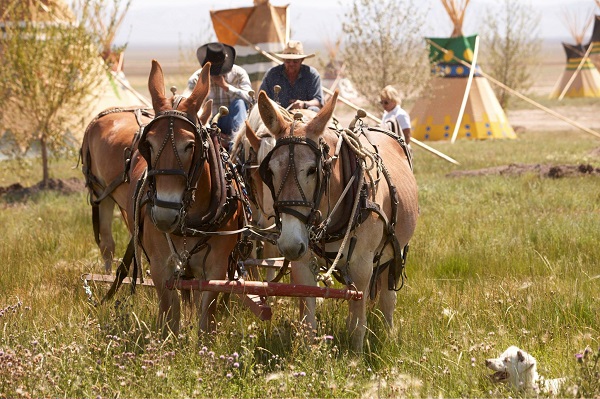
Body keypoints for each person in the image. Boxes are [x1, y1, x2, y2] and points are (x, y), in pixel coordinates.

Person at [183, 42, 253, 148]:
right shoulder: (197, 78)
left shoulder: (239, 74)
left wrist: (226, 87)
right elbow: (189, 106)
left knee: (239, 103)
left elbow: (251, 99)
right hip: (207, 124)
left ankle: (239, 145)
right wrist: (211, 131)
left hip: (232, 122)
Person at [259, 40, 323, 112]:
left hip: (304, 117)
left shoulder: (312, 75)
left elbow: (318, 101)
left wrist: (304, 104)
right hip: (277, 116)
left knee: (314, 110)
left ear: (302, 60)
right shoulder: (272, 74)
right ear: (283, 59)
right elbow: (261, 99)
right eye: (288, 61)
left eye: (295, 61)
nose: (291, 64)